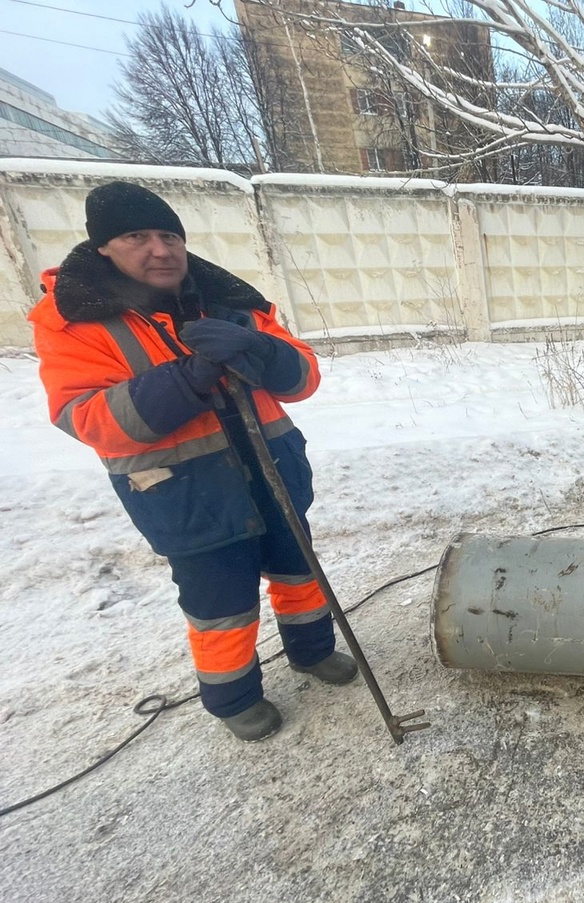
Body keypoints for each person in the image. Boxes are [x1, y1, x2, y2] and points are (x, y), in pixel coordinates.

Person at [28, 180, 356, 743]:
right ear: (103, 247)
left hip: (273, 470)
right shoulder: (75, 321)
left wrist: (262, 350)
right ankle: (234, 698)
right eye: (138, 236)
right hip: (186, 494)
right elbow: (86, 417)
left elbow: (303, 378)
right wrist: (187, 378)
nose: (160, 250)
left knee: (300, 571)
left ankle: (313, 650)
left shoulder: (230, 300)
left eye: (169, 236)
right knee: (220, 603)